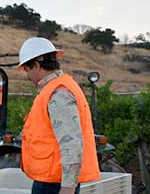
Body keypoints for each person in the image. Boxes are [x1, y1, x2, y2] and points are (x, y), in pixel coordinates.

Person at [17, 37, 100, 194]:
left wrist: (68, 187)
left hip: (54, 183)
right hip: (51, 179)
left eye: (27, 70)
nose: (28, 77)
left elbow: (71, 142)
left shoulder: (59, 93)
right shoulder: (54, 90)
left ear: (36, 65)